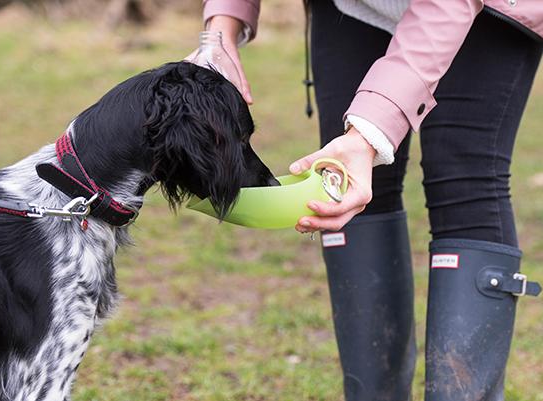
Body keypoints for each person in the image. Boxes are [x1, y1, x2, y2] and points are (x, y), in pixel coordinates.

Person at [192, 1, 543, 400]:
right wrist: (221, 29)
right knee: (342, 180)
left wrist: (367, 134)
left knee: (463, 175)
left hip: (481, 12)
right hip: (354, 7)